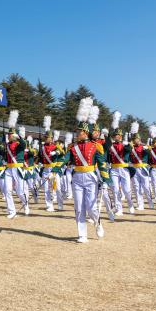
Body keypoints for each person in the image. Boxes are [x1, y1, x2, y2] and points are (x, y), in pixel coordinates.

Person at [54, 98, 112, 243]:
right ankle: (82, 235)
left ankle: (97, 223)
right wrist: (54, 170)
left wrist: (105, 180)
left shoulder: (95, 146)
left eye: (79, 131)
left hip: (91, 177)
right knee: (79, 208)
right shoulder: (73, 147)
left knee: (92, 208)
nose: (76, 133)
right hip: (77, 178)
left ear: (85, 133)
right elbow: (64, 159)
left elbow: (102, 164)